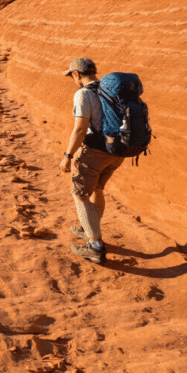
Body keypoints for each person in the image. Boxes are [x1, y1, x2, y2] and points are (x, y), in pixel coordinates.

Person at [59, 58, 124, 264]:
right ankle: (90, 227)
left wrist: (68, 156)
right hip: (118, 150)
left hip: (95, 151)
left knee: (80, 195)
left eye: (72, 76)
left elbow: (79, 129)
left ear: (76, 74)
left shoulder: (83, 94)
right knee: (96, 189)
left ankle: (95, 246)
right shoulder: (111, 90)